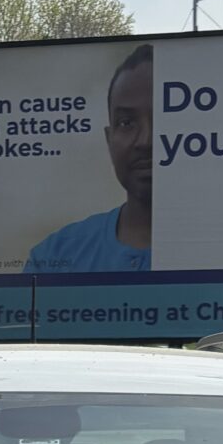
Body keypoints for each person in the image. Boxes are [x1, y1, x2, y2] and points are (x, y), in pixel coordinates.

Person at [24, 43, 152, 273]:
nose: (145, 140)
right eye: (126, 123)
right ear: (108, 138)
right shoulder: (54, 256)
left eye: (164, 118)